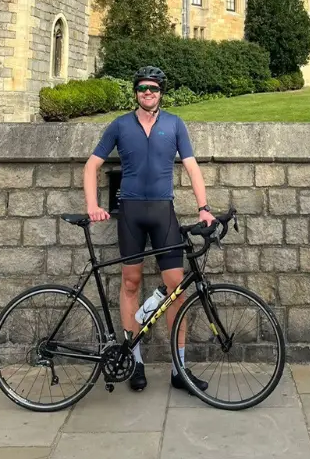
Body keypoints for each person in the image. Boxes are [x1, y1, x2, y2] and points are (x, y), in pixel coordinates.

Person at [82, 66, 214, 393]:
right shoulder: (120, 125)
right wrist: (92, 205)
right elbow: (92, 165)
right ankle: (134, 362)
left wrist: (204, 207)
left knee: (176, 289)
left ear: (161, 92)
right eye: (142, 88)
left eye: (153, 88)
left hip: (162, 212)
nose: (148, 93)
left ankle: (178, 369)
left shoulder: (174, 124)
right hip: (130, 213)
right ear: (136, 92)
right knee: (130, 283)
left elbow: (193, 167)